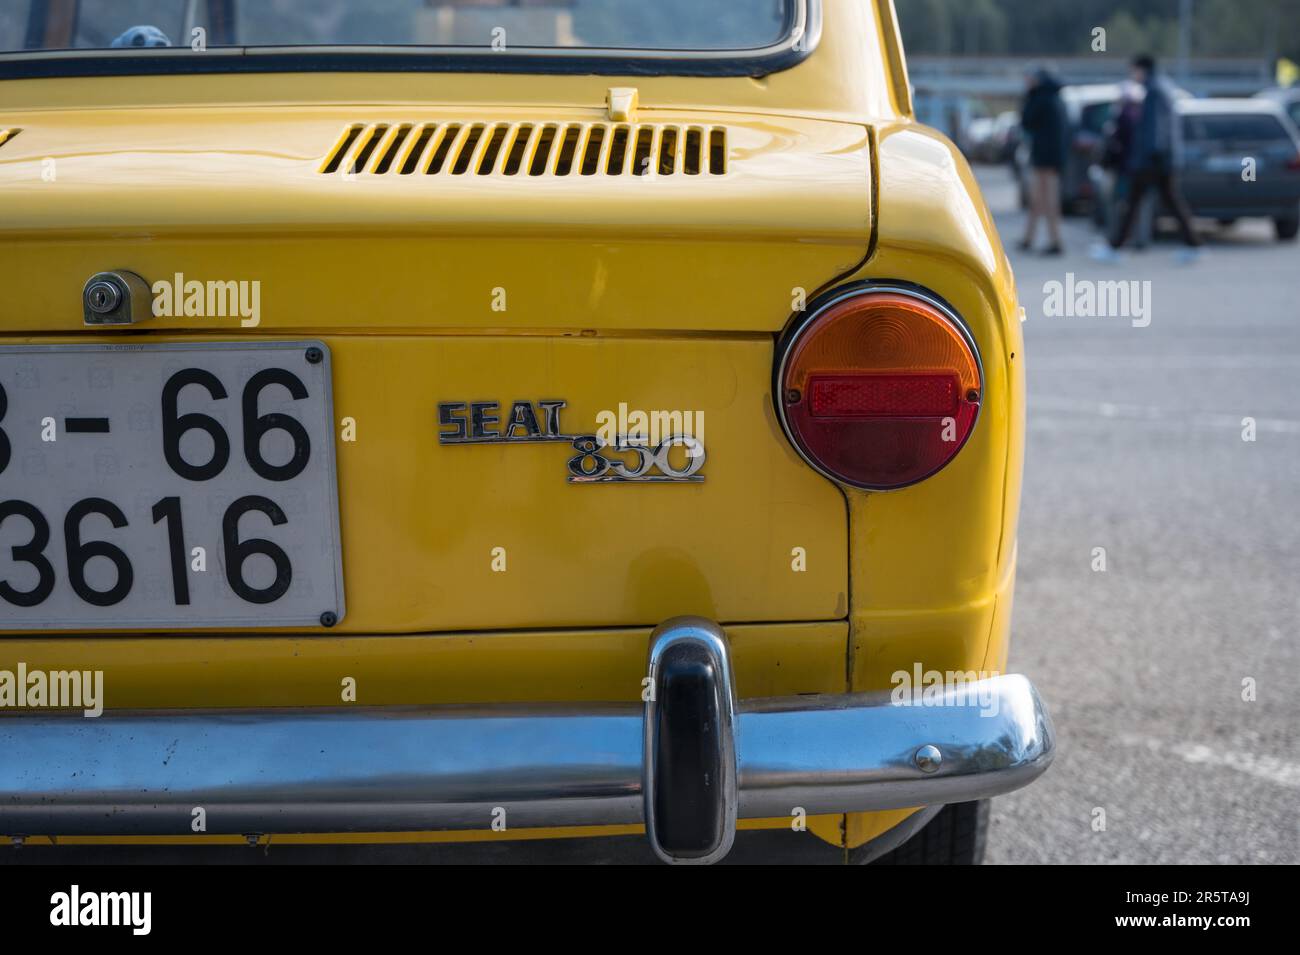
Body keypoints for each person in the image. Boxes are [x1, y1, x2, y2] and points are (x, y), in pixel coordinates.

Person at [1093, 54, 1202, 264]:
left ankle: (1115, 247)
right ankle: (1193, 244)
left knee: (1135, 202)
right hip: (1160, 158)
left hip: (1153, 160)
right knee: (1166, 202)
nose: (1133, 76)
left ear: (1141, 69)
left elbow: (1155, 128)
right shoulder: (1162, 87)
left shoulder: (1154, 91)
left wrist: (1152, 155)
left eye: (1134, 70)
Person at [1018, 65, 1068, 255]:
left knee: (1046, 200)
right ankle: (1030, 238)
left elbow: (1026, 120)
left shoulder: (1040, 98)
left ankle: (1055, 241)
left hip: (1044, 158)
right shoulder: (1054, 97)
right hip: (1051, 157)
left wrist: (1029, 95)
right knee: (1039, 199)